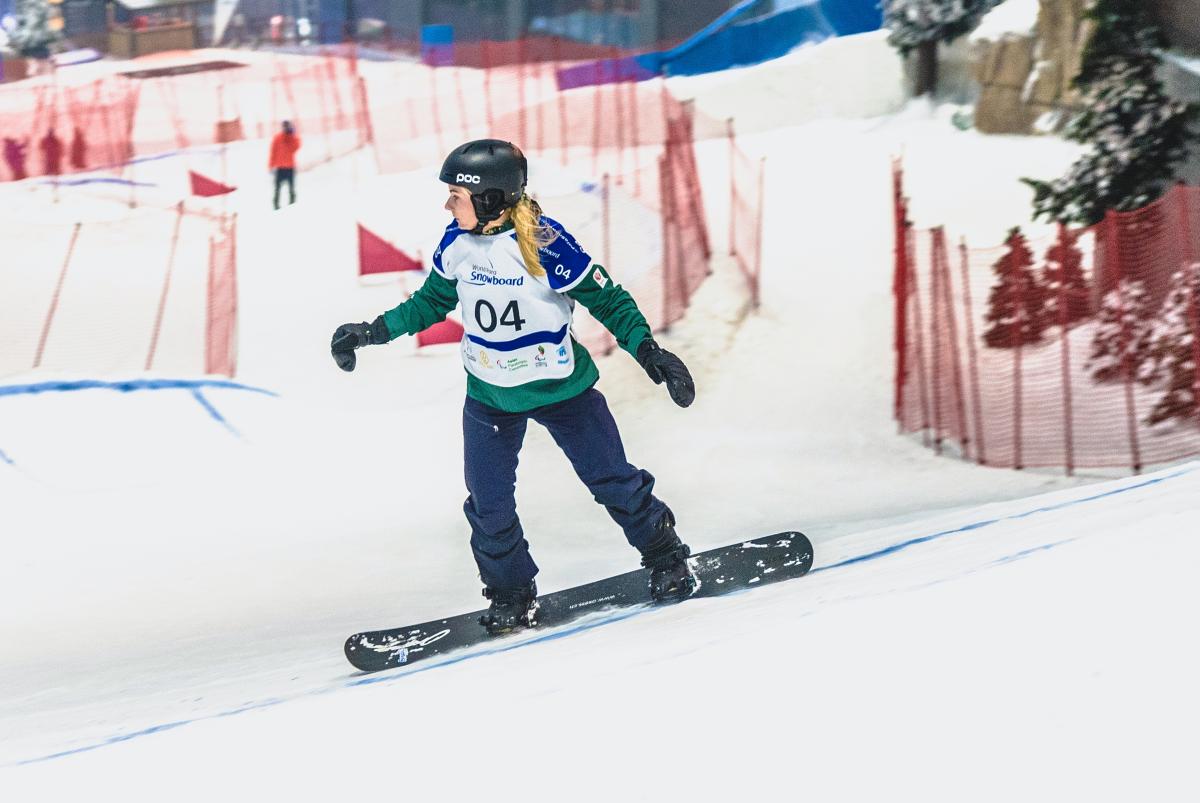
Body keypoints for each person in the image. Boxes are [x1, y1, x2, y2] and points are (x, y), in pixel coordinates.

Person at [330, 139, 697, 634]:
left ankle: (665, 555)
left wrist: (648, 350)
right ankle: (510, 591)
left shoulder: (545, 244)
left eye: (455, 196)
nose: (447, 205)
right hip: (489, 396)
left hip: (562, 391)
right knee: (488, 504)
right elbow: (428, 303)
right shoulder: (456, 245)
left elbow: (608, 300)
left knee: (612, 480)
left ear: (488, 199)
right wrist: (371, 332)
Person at [268, 120, 300, 209]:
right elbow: (272, 152)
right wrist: (270, 165)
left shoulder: (292, 137)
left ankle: (293, 205)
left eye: (287, 126)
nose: (285, 128)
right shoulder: (277, 138)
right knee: (277, 189)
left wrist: (292, 135)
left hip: (290, 167)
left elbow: (296, 147)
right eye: (284, 126)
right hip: (280, 168)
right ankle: (276, 207)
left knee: (292, 189)